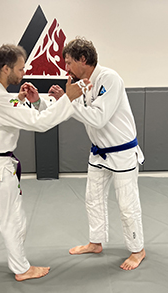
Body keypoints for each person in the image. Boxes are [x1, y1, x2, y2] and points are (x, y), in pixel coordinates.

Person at [0, 44, 92, 281]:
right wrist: (68, 98)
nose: (23, 72)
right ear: (6, 69)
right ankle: (21, 268)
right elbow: (39, 123)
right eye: (20, 68)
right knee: (12, 219)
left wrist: (20, 99)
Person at [47, 37, 146, 270]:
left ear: (83, 59)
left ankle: (137, 249)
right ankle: (96, 242)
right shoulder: (81, 83)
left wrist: (69, 101)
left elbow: (98, 118)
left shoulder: (109, 79)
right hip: (99, 153)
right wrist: (56, 101)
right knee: (93, 199)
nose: (66, 68)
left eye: (69, 62)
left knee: (127, 204)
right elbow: (73, 111)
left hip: (122, 152)